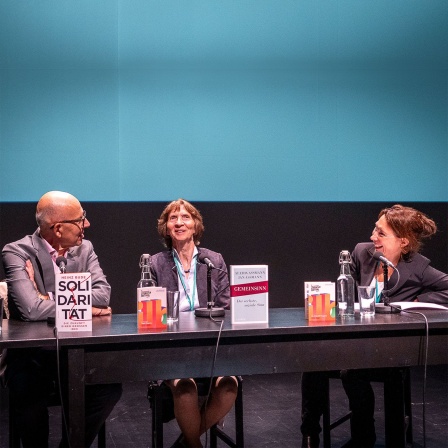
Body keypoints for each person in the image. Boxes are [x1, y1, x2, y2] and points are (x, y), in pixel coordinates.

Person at [301, 204, 448, 448]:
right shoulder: (362, 253)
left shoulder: (418, 267)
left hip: (387, 351)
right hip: (353, 341)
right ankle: (309, 435)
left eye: (381, 233)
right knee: (313, 362)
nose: (372, 237)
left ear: (403, 241)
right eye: (374, 229)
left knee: (352, 371)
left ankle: (363, 437)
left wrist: (418, 301)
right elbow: (343, 293)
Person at [2, 191, 122, 447]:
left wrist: (44, 295)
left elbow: (103, 294)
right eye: (80, 220)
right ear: (58, 229)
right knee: (28, 394)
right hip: (31, 357)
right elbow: (31, 310)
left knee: (108, 388)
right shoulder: (16, 251)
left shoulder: (85, 248)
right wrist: (83, 306)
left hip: (75, 353)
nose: (86, 225)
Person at [149, 198, 238, 448]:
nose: (179, 223)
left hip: (211, 345)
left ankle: (186, 443)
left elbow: (225, 305)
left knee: (230, 385)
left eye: (185, 217)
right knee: (185, 387)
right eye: (173, 218)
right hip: (172, 347)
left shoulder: (213, 260)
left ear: (195, 225)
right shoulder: (155, 263)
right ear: (166, 227)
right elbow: (148, 306)